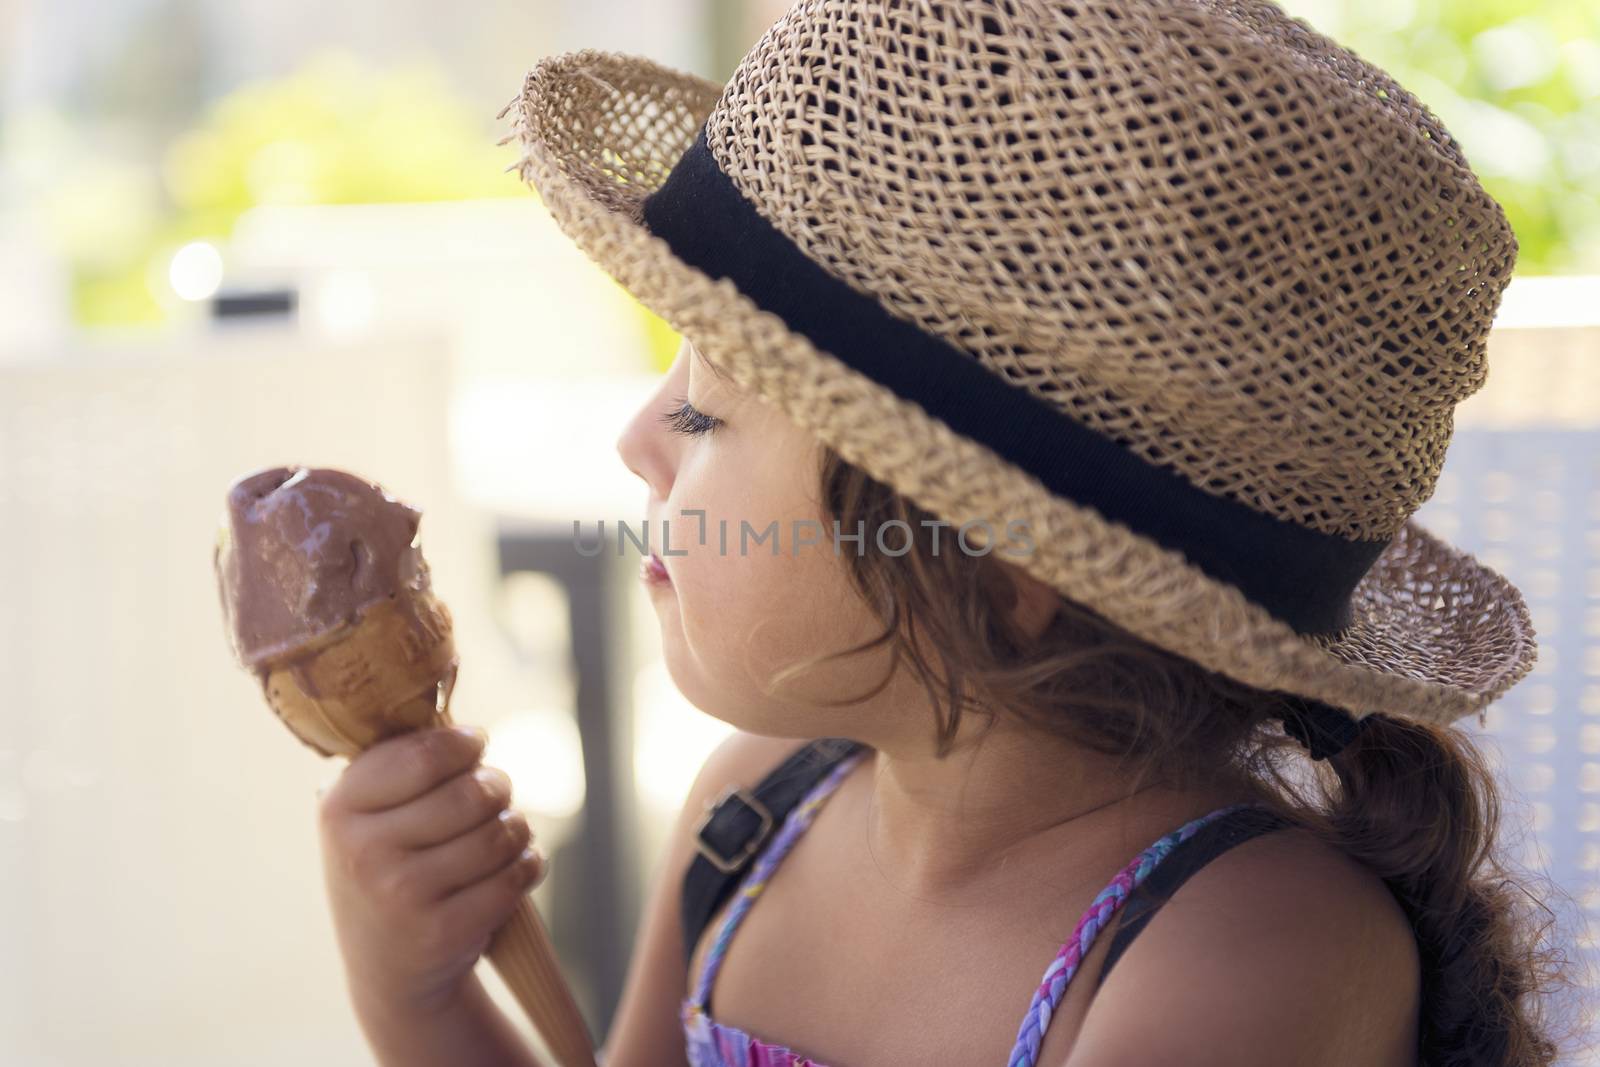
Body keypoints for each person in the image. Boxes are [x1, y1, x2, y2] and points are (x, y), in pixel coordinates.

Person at [317, 1, 1587, 1064]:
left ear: (993, 555)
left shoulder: (1246, 953)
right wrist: (421, 998)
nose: (640, 438)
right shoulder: (757, 804)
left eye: (708, 408)